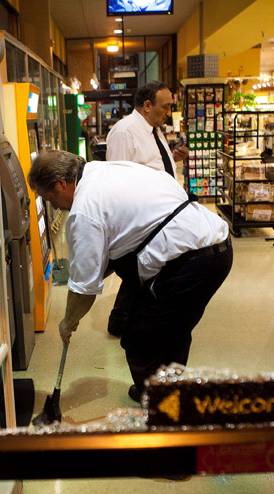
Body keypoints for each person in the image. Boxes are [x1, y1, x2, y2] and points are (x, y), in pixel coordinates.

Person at [27, 150, 231, 403]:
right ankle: (168, 390)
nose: (54, 205)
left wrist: (67, 322)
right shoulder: (103, 171)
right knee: (172, 330)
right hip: (212, 244)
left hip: (194, 262)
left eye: (51, 197)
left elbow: (84, 287)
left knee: (141, 341)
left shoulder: (84, 211)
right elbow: (109, 255)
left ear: (61, 183)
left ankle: (162, 405)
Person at [104, 81, 189, 336]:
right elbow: (117, 179)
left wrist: (173, 158)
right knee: (142, 269)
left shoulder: (154, 130)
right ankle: (120, 320)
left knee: (149, 268)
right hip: (142, 216)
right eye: (165, 107)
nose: (168, 112)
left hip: (161, 213)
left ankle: (127, 318)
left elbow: (150, 164)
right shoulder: (125, 132)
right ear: (147, 105)